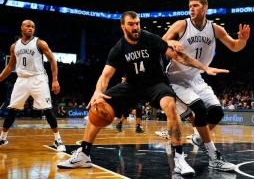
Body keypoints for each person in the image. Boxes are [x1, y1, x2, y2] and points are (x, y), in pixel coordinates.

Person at [57, 11, 228, 175]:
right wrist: (97, 92)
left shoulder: (150, 39)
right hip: (132, 86)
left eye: (137, 23)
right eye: (131, 24)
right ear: (123, 26)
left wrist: (204, 67)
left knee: (170, 105)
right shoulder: (118, 48)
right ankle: (84, 155)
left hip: (156, 83)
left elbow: (180, 56)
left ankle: (178, 159)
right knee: (98, 105)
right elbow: (105, 76)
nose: (136, 27)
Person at [161, 0, 250, 171]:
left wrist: (243, 41)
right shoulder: (182, 24)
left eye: (195, 6)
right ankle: (213, 157)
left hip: (196, 77)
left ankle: (198, 138)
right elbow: (161, 43)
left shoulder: (215, 29)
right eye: (189, 6)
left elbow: (234, 47)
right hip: (176, 78)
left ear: (205, 8)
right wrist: (171, 41)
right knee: (200, 109)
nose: (191, 9)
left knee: (217, 112)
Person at [0, 20, 66, 152]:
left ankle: (58, 140)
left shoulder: (39, 43)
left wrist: (55, 80)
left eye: (33, 27)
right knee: (12, 110)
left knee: (47, 110)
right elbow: (10, 66)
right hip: (22, 79)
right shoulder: (14, 46)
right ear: (22, 28)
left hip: (38, 79)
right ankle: (2, 138)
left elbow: (53, 60)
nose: (31, 28)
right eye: (28, 26)